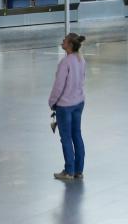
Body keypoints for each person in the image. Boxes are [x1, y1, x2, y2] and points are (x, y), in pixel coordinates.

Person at [48, 32, 87, 181]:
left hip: (65, 106)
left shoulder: (65, 63)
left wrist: (52, 102)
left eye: (64, 40)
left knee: (66, 137)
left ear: (70, 45)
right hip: (79, 103)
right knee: (77, 135)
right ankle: (78, 170)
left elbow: (59, 86)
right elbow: (82, 80)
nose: (62, 41)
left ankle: (69, 171)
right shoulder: (81, 59)